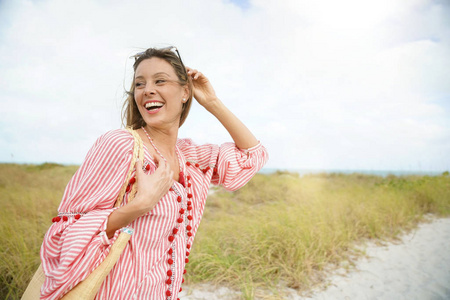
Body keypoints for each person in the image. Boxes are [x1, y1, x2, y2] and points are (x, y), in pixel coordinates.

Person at [39, 46, 268, 299]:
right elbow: (64, 233)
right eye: (139, 84)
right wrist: (139, 205)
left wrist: (212, 102)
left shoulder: (189, 158)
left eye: (160, 80)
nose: (147, 89)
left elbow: (252, 156)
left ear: (185, 92)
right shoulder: (120, 145)